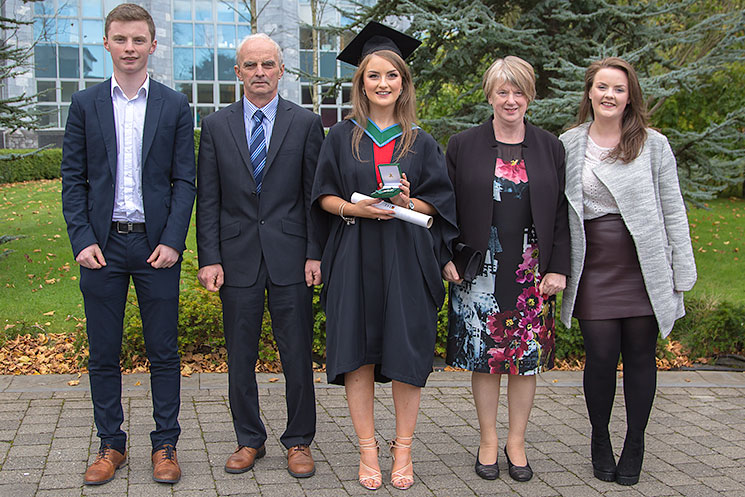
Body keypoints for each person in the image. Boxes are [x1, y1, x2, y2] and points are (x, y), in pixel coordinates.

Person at [311, 22, 457, 491]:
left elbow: (441, 203)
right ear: (362, 82)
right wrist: (356, 208)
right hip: (354, 253)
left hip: (406, 257)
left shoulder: (422, 141)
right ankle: (368, 450)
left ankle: (404, 450)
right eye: (373, 75)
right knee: (357, 355)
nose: (382, 83)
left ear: (403, 83)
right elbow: (324, 196)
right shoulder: (342, 136)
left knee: (405, 352)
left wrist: (408, 202)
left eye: (391, 76)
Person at [60, 3, 196, 486]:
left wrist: (175, 242)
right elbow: (73, 180)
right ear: (107, 43)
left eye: (139, 40)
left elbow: (185, 181)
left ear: (153, 45)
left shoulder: (175, 105)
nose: (131, 48)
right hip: (102, 247)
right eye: (121, 39)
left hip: (156, 247)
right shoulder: (85, 104)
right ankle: (110, 445)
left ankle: (165, 445)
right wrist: (80, 239)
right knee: (103, 353)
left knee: (164, 351)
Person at [559, 57, 696, 486]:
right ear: (589, 92)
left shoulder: (653, 144)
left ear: (629, 96)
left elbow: (673, 209)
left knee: (640, 357)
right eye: (602, 87)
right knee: (599, 356)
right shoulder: (568, 143)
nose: (609, 95)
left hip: (643, 265)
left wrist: (681, 270)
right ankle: (600, 438)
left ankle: (635, 441)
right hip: (593, 266)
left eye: (618, 89)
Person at [196, 33, 324, 479]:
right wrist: (208, 258)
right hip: (236, 259)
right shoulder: (215, 127)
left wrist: (315, 253)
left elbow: (314, 196)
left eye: (268, 65)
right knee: (240, 356)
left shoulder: (306, 124)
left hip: (291, 256)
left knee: (297, 355)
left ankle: (299, 440)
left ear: (281, 70)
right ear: (237, 72)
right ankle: (248, 439)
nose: (259, 74)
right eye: (250, 66)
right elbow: (207, 199)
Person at [442, 56, 570, 483]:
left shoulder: (551, 146)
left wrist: (558, 268)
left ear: (530, 95)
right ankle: (488, 441)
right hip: (478, 269)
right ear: (490, 95)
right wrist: (446, 257)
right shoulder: (463, 144)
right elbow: (445, 209)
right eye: (502, 91)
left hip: (531, 271)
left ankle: (517, 441)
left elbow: (562, 214)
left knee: (525, 362)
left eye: (518, 91)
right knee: (486, 357)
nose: (510, 100)